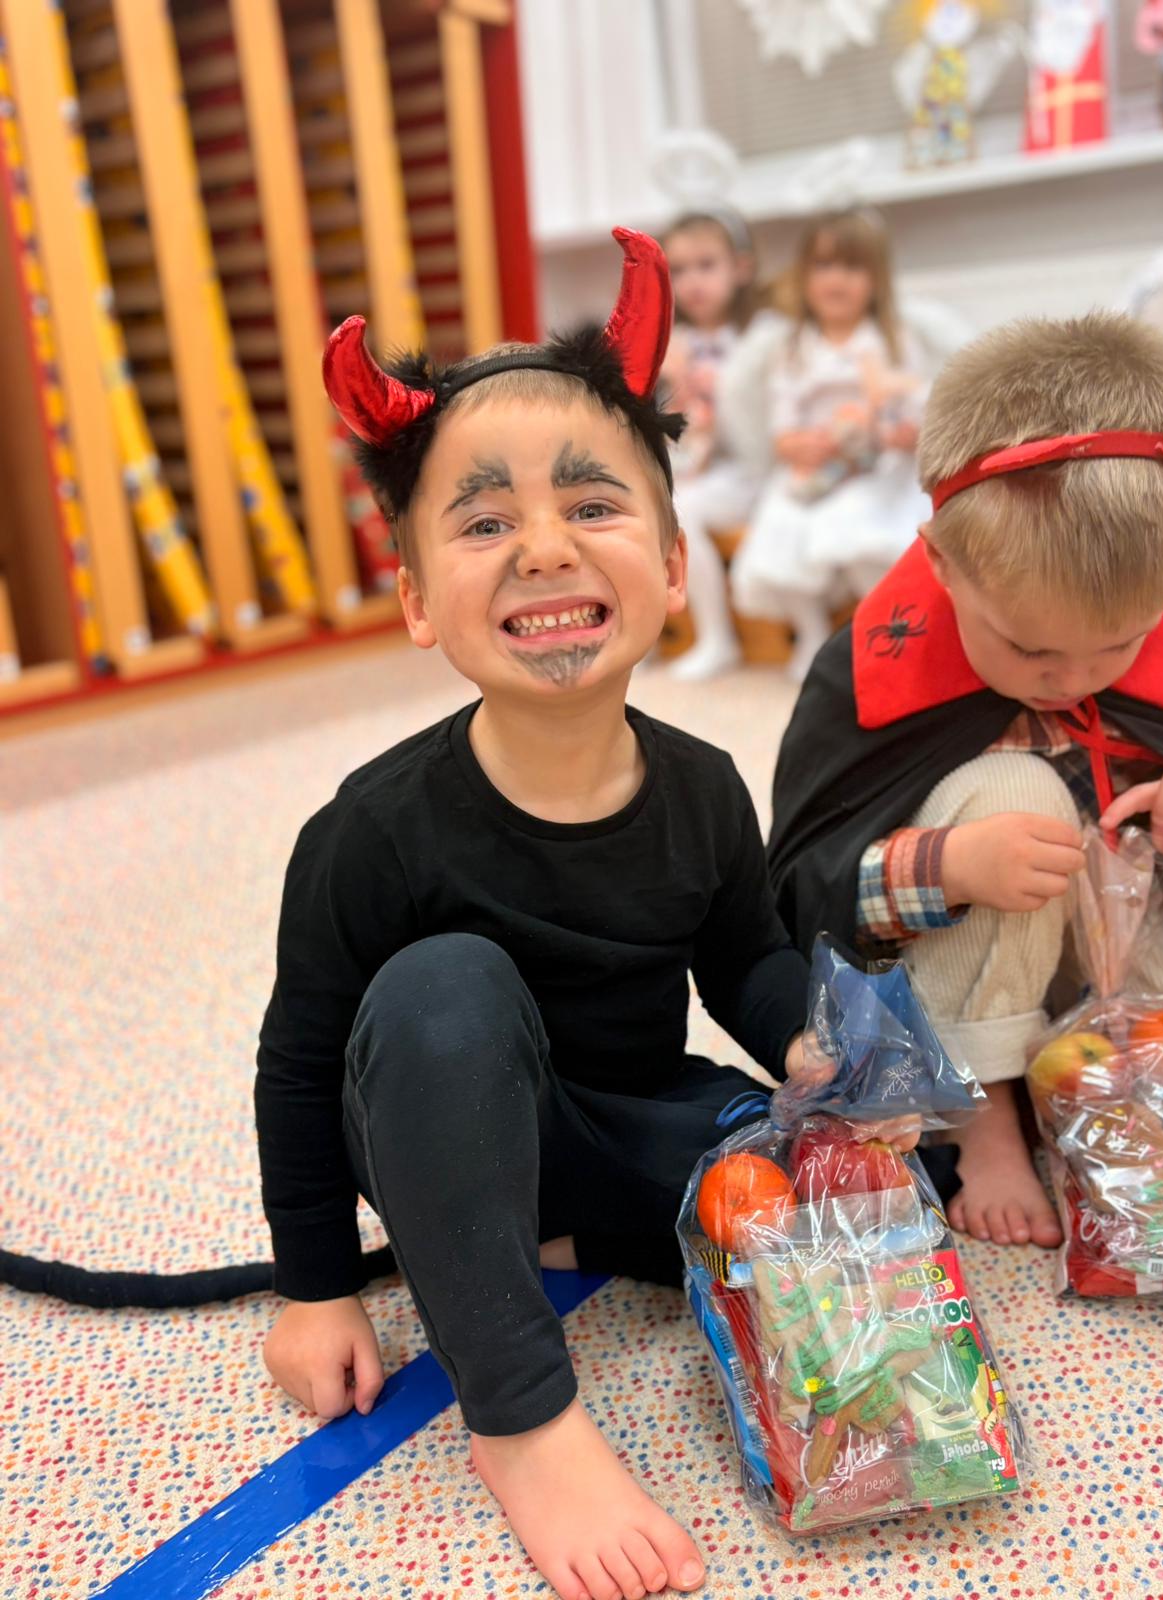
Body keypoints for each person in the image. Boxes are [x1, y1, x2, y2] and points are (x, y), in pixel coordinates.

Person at [254, 229, 919, 1600]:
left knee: (850, 1177)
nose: (546, 550)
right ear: (416, 599)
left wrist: (821, 1050)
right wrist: (314, 1287)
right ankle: (521, 1415)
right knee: (444, 984)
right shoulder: (372, 828)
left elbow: (741, 957)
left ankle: (551, 1239)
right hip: (440, 1127)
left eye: (592, 506)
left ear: (673, 566)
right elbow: (302, 1063)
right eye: (484, 523)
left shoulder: (701, 784)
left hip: (614, 1119)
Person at [767, 310, 1163, 1249]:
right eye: (1033, 649)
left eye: (1119, 646)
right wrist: (953, 866)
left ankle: (1123, 1091)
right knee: (1018, 794)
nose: (1075, 678)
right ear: (942, 562)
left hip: (1116, 946)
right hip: (968, 978)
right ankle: (988, 1113)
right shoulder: (873, 673)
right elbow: (801, 885)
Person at [726, 209, 929, 684]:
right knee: (782, 531)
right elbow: (783, 425)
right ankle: (812, 633)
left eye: (852, 267)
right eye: (823, 266)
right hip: (814, 471)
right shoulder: (794, 347)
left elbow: (912, 406)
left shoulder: (892, 340)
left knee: (862, 536)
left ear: (876, 280)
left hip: (876, 468)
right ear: (805, 276)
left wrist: (900, 432)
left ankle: (883, 633)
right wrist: (799, 444)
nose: (836, 279)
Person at [657, 208, 765, 681]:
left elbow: (764, 426)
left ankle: (717, 637)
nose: (693, 282)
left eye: (706, 265)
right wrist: (674, 388)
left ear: (740, 267)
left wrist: (718, 391)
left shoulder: (762, 336)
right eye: (679, 270)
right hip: (698, 466)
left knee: (682, 510)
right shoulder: (672, 340)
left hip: (753, 471)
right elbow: (673, 431)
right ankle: (646, 632)